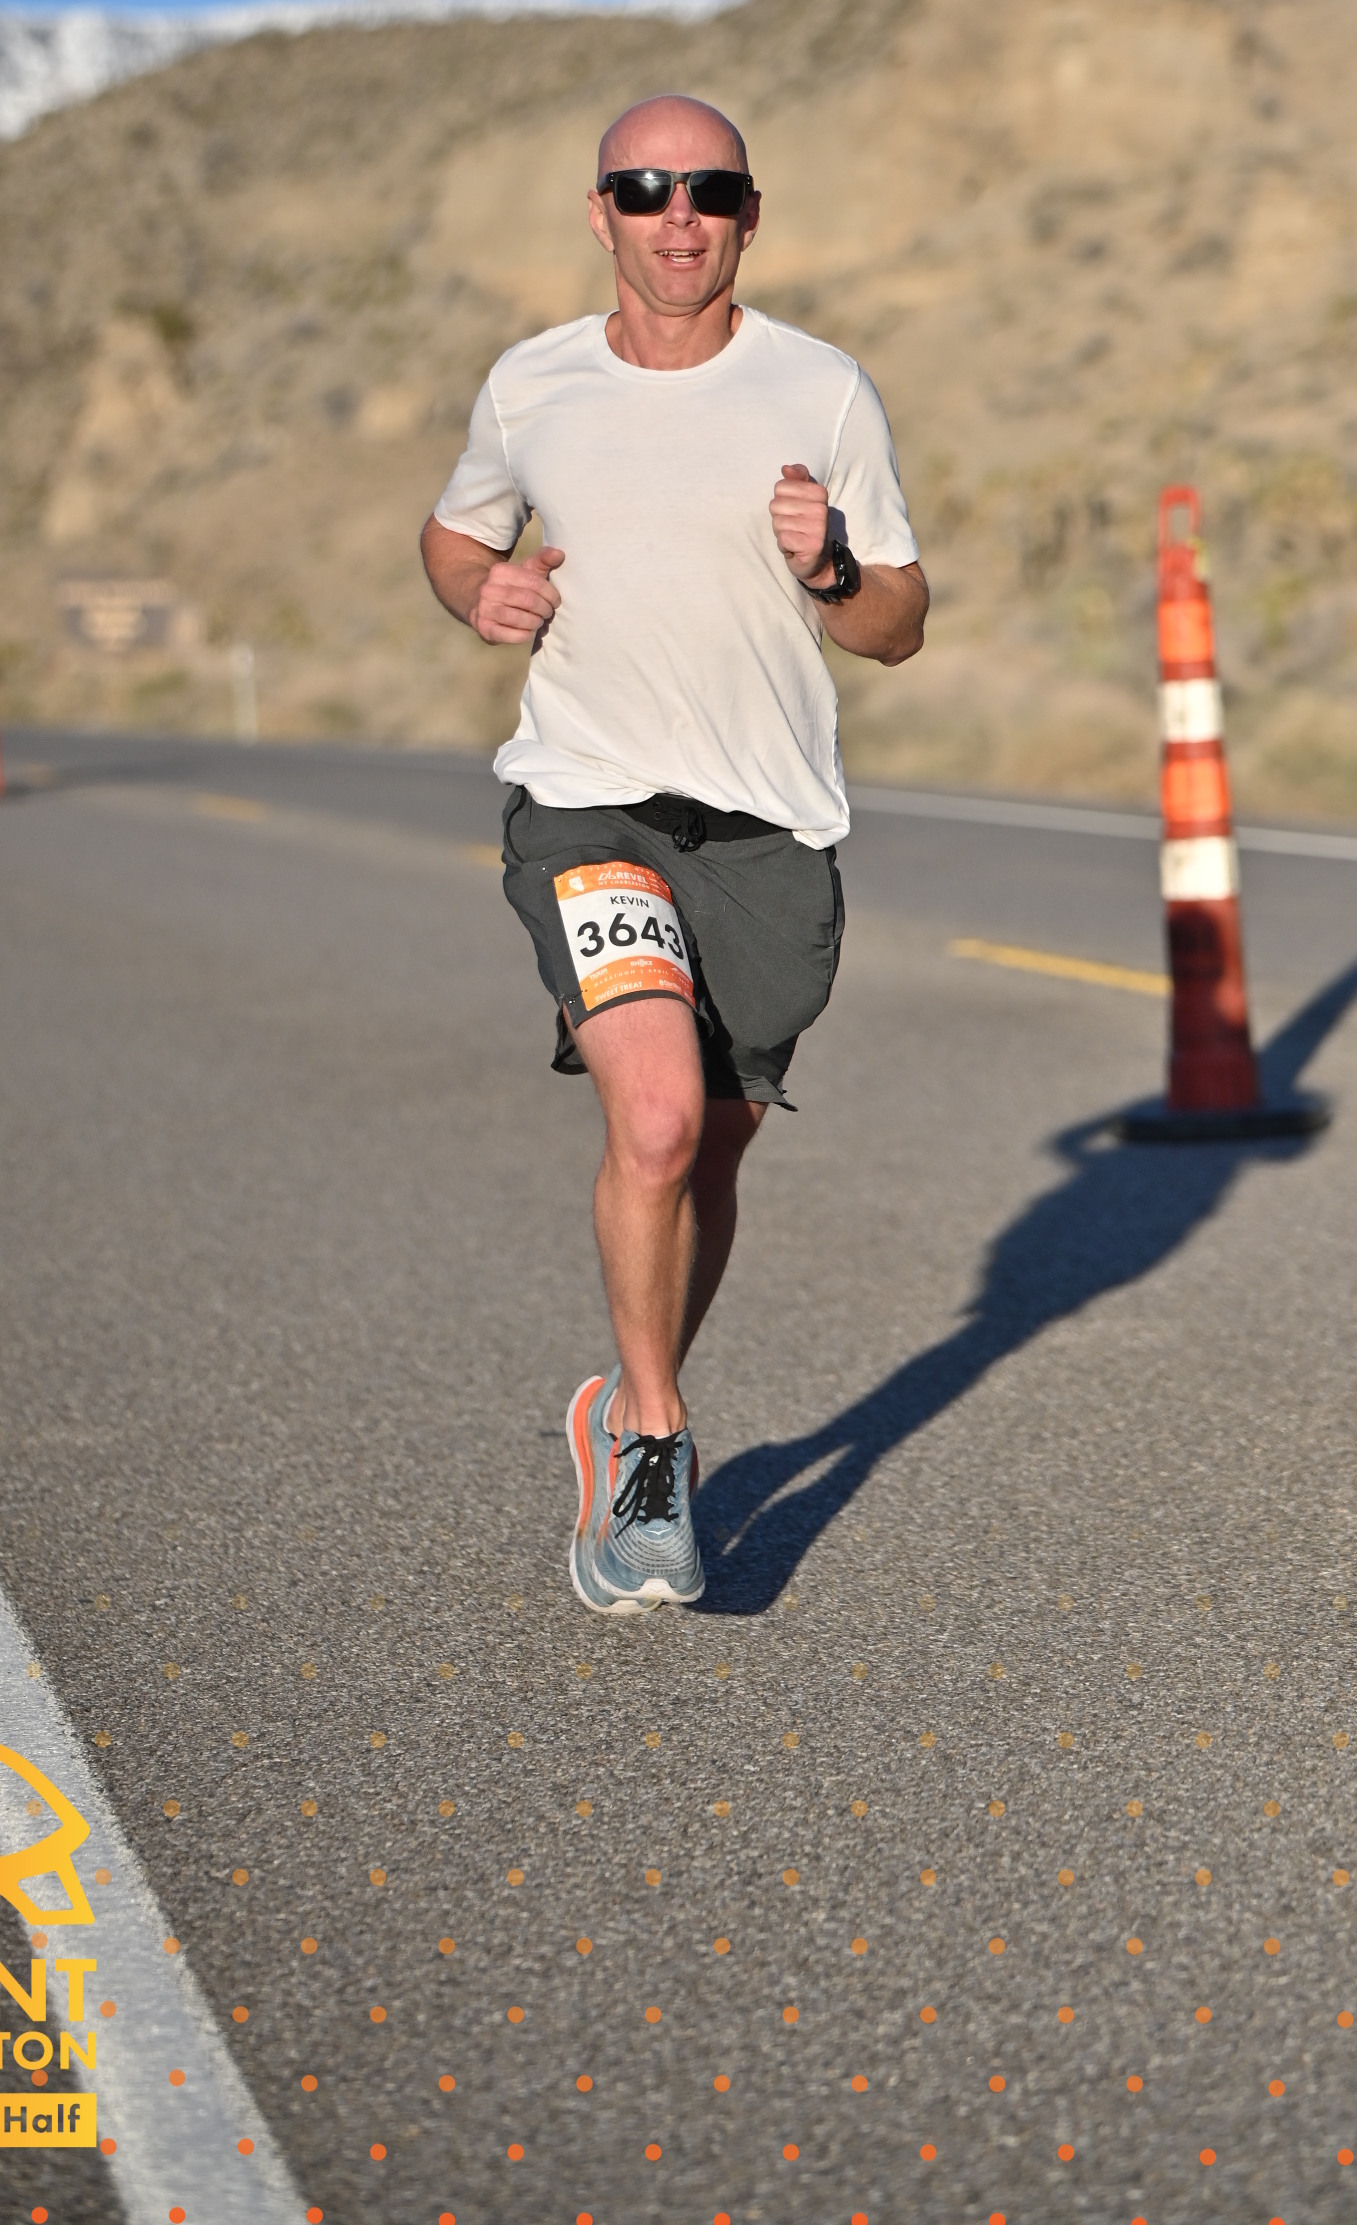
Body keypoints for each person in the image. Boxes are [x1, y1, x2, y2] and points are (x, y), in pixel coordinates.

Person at [421, 95, 928, 1613]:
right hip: (589, 803)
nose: (678, 216)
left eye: (709, 189)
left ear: (749, 215)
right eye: (645, 189)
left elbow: (898, 625)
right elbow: (456, 535)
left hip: (767, 829)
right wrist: (480, 594)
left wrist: (830, 566)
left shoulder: (822, 390)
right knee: (652, 1122)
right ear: (602, 213)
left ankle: (623, 1398)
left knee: (709, 1151)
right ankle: (654, 1443)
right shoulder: (533, 383)